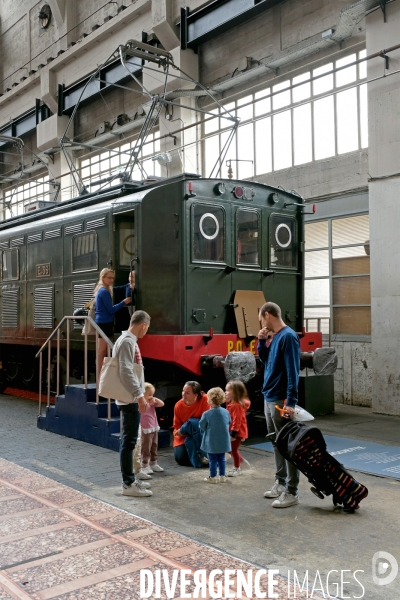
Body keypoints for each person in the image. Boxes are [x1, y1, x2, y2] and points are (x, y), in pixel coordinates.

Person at [257, 301, 300, 508]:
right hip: (269, 397)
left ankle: (292, 491)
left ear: (267, 315)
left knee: (288, 445)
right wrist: (261, 342)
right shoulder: (274, 338)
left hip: (280, 400)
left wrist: (291, 402)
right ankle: (281, 482)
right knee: (276, 444)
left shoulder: (288, 337)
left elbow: (293, 372)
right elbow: (267, 363)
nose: (261, 324)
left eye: (260, 319)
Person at [113, 310, 152, 497]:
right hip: (128, 398)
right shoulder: (128, 342)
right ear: (143, 324)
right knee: (128, 441)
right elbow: (127, 371)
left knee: (129, 440)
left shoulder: (126, 340)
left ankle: (131, 480)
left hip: (128, 397)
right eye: (147, 328)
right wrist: (140, 395)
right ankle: (128, 484)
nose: (146, 331)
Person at [94, 268, 131, 376]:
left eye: (113, 278)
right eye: (109, 278)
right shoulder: (104, 291)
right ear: (103, 278)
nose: (111, 280)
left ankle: (103, 374)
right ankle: (100, 376)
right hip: (104, 323)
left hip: (105, 322)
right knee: (102, 351)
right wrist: (123, 302)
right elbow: (110, 310)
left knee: (105, 351)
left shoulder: (102, 290)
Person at [173, 381, 209, 468]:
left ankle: (206, 455)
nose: (183, 394)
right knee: (180, 458)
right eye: (183, 391)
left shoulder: (205, 399)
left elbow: (207, 421)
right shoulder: (178, 405)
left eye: (187, 393)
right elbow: (176, 426)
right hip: (184, 434)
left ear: (196, 395)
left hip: (202, 432)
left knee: (194, 422)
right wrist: (181, 431)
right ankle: (203, 458)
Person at [199, 387, 231, 483]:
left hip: (212, 441)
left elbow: (201, 425)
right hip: (223, 440)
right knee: (222, 459)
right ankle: (222, 476)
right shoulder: (226, 412)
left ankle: (213, 477)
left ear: (210, 400)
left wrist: (208, 430)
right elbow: (229, 422)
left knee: (212, 460)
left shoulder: (207, 413)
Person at [225, 380, 251, 477]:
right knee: (231, 449)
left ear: (235, 392)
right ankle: (240, 462)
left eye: (228, 391)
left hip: (236, 431)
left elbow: (237, 420)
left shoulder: (237, 405)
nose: (225, 392)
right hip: (234, 430)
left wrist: (233, 433)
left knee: (233, 449)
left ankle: (237, 468)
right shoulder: (232, 403)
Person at [140, 382, 165, 475]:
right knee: (146, 447)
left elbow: (162, 404)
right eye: (149, 394)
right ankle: (144, 465)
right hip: (145, 428)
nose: (151, 396)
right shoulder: (141, 404)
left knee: (154, 446)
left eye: (152, 394)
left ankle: (153, 462)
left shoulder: (152, 403)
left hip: (154, 427)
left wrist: (154, 398)